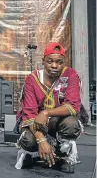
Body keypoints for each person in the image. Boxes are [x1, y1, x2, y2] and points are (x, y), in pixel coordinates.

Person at [15, 42, 82, 173]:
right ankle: (33, 154)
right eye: (50, 61)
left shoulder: (71, 75)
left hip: (58, 121)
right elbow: (29, 114)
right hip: (36, 123)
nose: (54, 66)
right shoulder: (32, 79)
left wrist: (46, 112)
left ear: (64, 62)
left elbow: (73, 106)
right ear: (43, 61)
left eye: (59, 62)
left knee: (71, 124)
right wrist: (41, 140)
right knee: (29, 140)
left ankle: (63, 156)